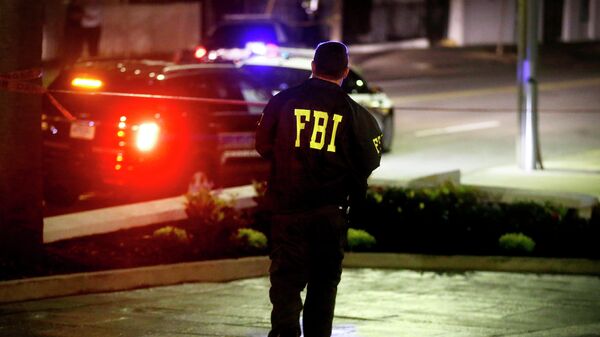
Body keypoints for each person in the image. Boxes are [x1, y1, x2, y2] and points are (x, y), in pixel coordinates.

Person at [255, 41, 383, 337]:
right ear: (345, 72)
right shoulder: (356, 114)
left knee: (286, 289)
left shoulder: (282, 102)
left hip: (288, 212)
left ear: (313, 67)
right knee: (323, 291)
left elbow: (263, 145)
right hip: (331, 215)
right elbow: (369, 160)